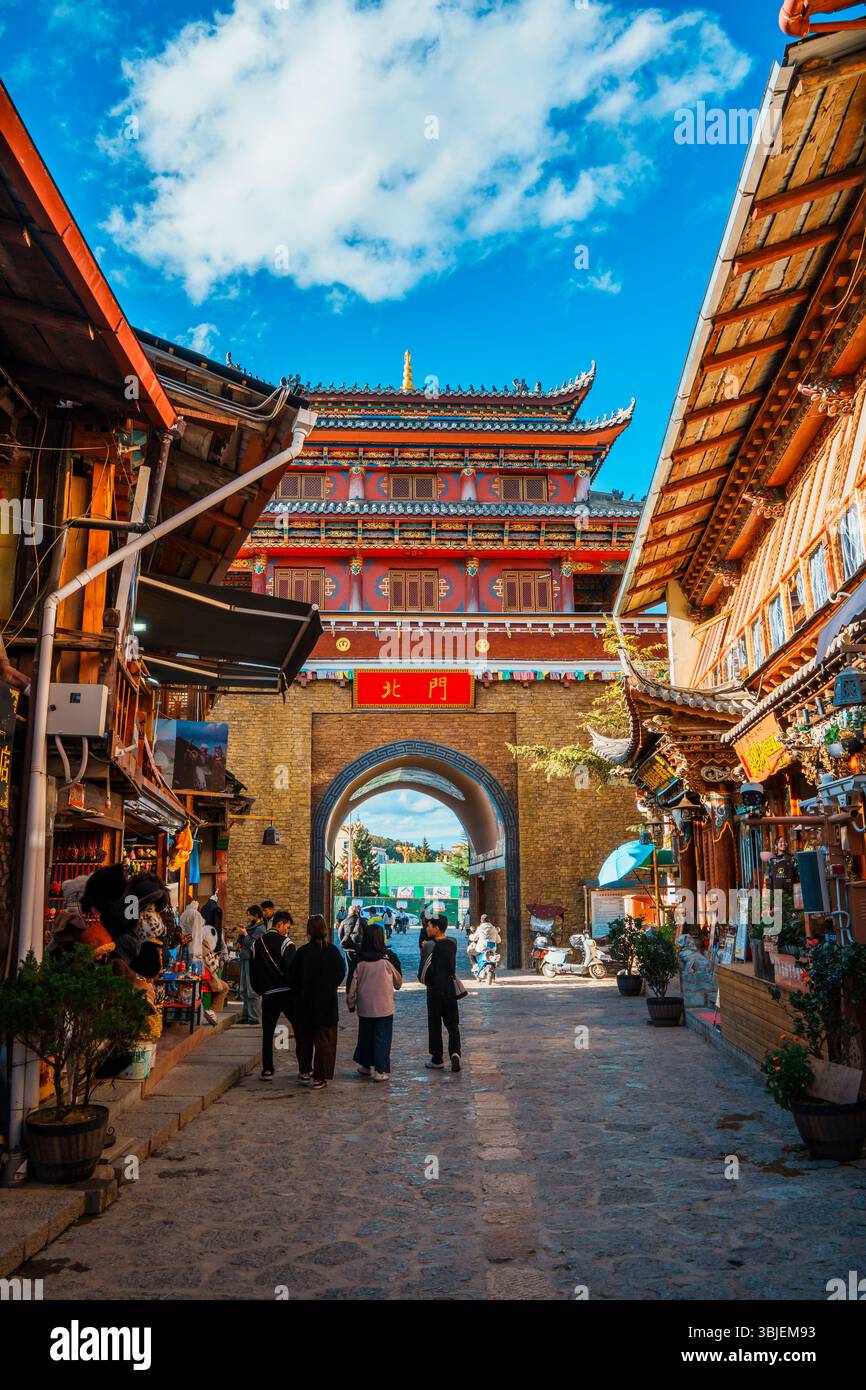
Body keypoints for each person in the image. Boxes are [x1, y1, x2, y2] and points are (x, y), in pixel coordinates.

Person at [286, 914, 346, 1089]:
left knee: (304, 1040)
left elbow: (292, 977)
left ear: (309, 931)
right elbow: (340, 974)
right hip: (326, 1004)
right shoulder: (333, 952)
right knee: (324, 1042)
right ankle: (320, 1076)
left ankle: (305, 1070)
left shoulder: (303, 952)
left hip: (305, 1004)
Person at [347, 923, 402, 1081]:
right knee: (382, 1037)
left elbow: (352, 985)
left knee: (365, 1036)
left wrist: (351, 1004)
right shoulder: (389, 957)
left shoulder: (358, 959)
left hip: (365, 1007)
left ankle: (365, 1066)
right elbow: (398, 983)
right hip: (384, 1006)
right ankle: (380, 1070)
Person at [250, 910, 296, 1078]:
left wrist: (259, 990)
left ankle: (267, 1068)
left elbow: (252, 971)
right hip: (286, 993)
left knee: (268, 1032)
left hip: (268, 994)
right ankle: (304, 1068)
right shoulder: (286, 943)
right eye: (287, 927)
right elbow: (293, 969)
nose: (287, 930)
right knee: (299, 1028)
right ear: (280, 924)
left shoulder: (256, 944)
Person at [419, 913, 462, 1073]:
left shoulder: (430, 946)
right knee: (452, 1024)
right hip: (450, 989)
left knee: (435, 1024)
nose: (426, 928)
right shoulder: (453, 942)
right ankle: (455, 1052)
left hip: (435, 991)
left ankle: (437, 1058)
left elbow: (422, 973)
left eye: (429, 925)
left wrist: (425, 948)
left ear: (436, 928)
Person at [237, 905, 265, 1024]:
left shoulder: (261, 929)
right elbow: (242, 942)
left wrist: (245, 934)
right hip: (244, 959)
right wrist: (241, 935)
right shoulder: (250, 927)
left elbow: (253, 945)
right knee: (243, 989)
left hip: (252, 961)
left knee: (251, 989)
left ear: (256, 915)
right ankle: (245, 1016)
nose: (248, 917)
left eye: (249, 915)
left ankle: (254, 1017)